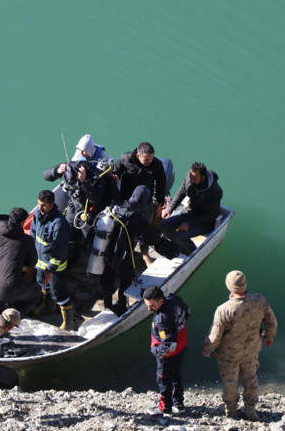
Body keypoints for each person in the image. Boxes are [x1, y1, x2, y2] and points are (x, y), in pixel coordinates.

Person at [89, 186, 179, 315]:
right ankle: (121, 307)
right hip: (123, 256)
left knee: (107, 282)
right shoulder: (135, 216)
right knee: (126, 281)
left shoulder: (116, 206)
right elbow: (152, 236)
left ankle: (107, 306)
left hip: (105, 254)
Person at [202, 270, 278, 421]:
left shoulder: (224, 309)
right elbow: (271, 321)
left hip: (229, 354)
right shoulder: (259, 300)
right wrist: (269, 337)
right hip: (251, 350)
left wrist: (207, 349)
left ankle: (231, 411)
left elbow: (215, 336)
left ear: (229, 287)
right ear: (245, 284)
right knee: (250, 379)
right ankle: (250, 410)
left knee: (230, 382)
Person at [0, 200, 41, 318]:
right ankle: (14, 318)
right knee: (35, 295)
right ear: (22, 222)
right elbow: (31, 263)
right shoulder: (26, 240)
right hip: (13, 285)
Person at [113, 142, 169, 265]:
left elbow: (161, 185)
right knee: (126, 228)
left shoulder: (157, 165)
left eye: (151, 158)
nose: (150, 161)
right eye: (146, 159)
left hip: (146, 203)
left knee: (146, 227)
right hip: (127, 202)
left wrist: (159, 204)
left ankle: (144, 251)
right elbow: (115, 170)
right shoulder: (126, 158)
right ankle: (128, 252)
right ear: (138, 156)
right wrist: (115, 176)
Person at [30, 189, 75, 330]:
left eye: (43, 205)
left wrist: (50, 270)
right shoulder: (38, 214)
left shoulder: (59, 224)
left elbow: (59, 251)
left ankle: (68, 322)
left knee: (58, 293)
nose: (40, 208)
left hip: (55, 268)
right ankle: (48, 306)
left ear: (51, 204)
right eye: (39, 204)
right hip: (40, 263)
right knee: (42, 284)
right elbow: (33, 234)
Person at [143, 285, 190, 416]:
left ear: (160, 301)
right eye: (147, 305)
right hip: (182, 347)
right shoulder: (175, 300)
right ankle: (178, 404)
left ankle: (165, 408)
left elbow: (169, 344)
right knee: (175, 375)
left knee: (163, 380)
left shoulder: (161, 320)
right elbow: (187, 312)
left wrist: (155, 351)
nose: (149, 309)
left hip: (168, 356)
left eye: (152, 305)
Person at [160, 162, 223, 256]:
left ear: (203, 177)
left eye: (194, 178)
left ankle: (194, 254)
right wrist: (169, 209)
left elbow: (210, 216)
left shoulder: (215, 191)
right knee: (164, 225)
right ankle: (181, 248)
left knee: (180, 236)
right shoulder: (188, 177)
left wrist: (189, 224)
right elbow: (181, 192)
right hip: (189, 212)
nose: (191, 180)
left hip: (205, 222)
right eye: (190, 176)